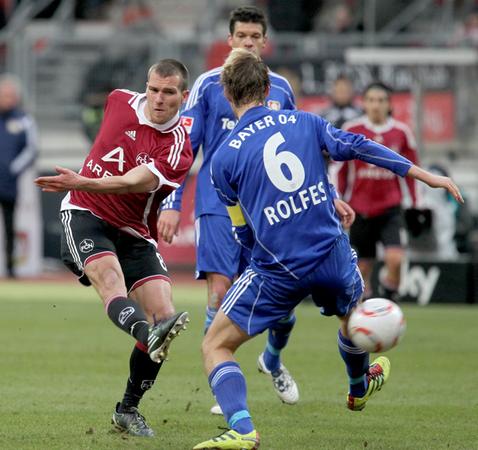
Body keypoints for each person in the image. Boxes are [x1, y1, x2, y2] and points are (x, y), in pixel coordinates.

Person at [193, 48, 463, 449]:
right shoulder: (307, 122)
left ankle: (242, 429)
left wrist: (254, 273)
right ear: (268, 89)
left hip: (277, 268)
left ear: (227, 96)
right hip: (331, 254)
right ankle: (358, 388)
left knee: (216, 344)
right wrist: (423, 175)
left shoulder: (223, 159)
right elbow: (357, 146)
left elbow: (243, 231)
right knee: (353, 319)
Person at [35, 59, 193, 437]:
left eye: (168, 92)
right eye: (154, 89)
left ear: (182, 97)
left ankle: (127, 409)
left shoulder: (177, 148)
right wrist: (83, 185)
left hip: (134, 231)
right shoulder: (119, 99)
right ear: (145, 86)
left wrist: (84, 179)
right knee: (111, 281)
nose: (158, 98)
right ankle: (142, 330)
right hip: (84, 212)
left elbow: (129, 183)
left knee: (164, 315)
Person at [158, 5, 300, 415]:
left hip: (269, 209)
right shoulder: (206, 85)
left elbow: (298, 148)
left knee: (283, 302)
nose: (249, 43)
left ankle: (272, 360)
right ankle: (226, 389)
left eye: (256, 37)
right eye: (242, 36)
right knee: (220, 291)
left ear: (265, 41)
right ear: (230, 39)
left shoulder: (281, 90)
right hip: (218, 205)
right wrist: (172, 202)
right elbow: (184, 150)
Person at [331, 82, 419, 301]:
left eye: (381, 100)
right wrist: (337, 200)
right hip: (360, 209)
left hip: (390, 208)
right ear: (364, 103)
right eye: (371, 100)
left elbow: (412, 170)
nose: (376, 105)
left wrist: (417, 204)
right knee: (362, 269)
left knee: (395, 259)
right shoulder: (352, 129)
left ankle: (389, 300)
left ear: (389, 104)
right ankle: (368, 309)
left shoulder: (401, 132)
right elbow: (339, 169)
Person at [0, 74, 38, 278]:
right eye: (4, 95)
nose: (8, 99)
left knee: (9, 226)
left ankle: (10, 269)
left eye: (11, 95)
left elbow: (32, 150)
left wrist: (12, 169)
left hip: (8, 184)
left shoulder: (24, 120)